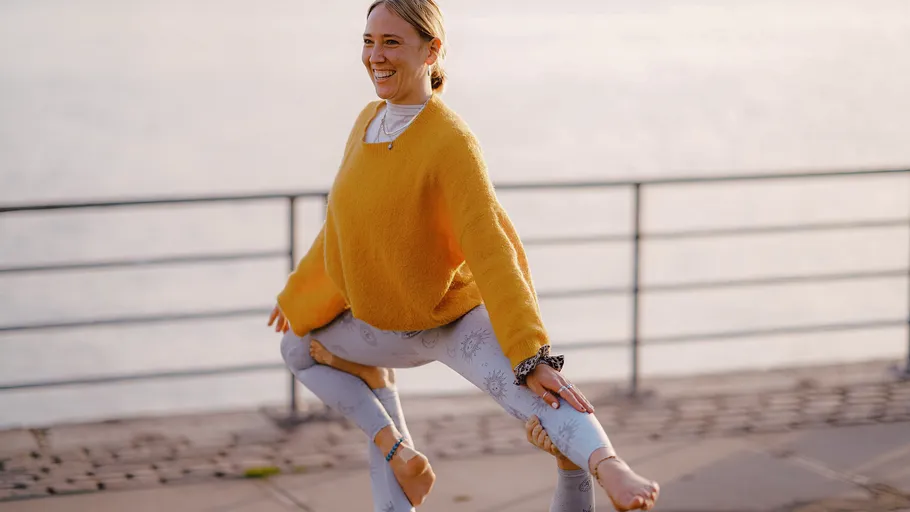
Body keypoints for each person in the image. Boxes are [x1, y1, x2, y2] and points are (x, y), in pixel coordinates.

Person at [270, 0, 660, 510]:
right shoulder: (366, 120)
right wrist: (300, 293)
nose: (375, 56)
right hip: (381, 326)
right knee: (296, 347)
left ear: (431, 50)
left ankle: (610, 467)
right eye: (368, 42)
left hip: (449, 321)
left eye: (391, 42)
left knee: (541, 392)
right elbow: (342, 228)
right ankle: (397, 450)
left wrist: (530, 353)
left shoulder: (451, 140)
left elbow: (490, 246)